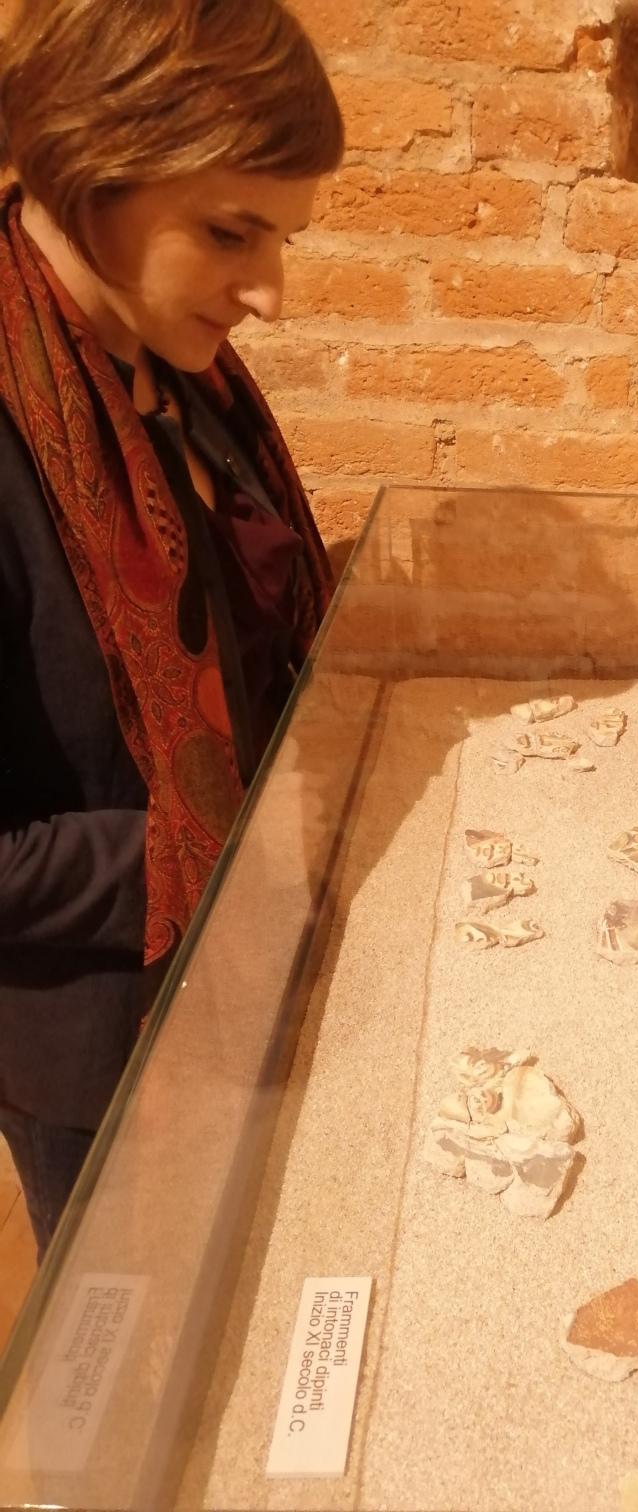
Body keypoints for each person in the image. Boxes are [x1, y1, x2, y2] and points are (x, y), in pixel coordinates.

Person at [0, 0, 345, 1259]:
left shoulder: (161, 365)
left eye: (282, 239)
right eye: (229, 231)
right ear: (92, 169)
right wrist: (237, 841)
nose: (272, 294)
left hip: (245, 970)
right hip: (110, 1053)